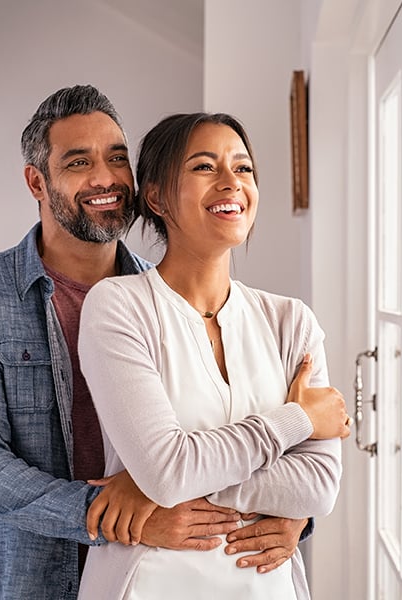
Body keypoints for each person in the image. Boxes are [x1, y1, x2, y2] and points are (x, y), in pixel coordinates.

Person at [0, 86, 311, 599]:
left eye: (117, 158)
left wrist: (295, 513)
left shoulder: (169, 299)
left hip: (158, 574)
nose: (106, 179)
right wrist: (114, 514)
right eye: (78, 162)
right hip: (28, 578)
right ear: (37, 181)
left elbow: (239, 440)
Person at [76, 112, 350, 599]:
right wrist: (296, 421)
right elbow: (167, 469)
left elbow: (319, 486)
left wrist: (158, 484)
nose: (232, 183)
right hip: (149, 584)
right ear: (157, 197)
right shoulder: (118, 306)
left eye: (243, 169)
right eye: (205, 167)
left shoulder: (293, 321)